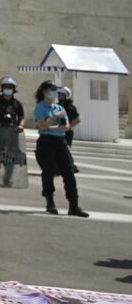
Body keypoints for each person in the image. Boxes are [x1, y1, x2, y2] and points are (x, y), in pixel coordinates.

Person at [33, 80, 87, 217]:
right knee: (48, 172)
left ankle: (73, 206)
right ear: (45, 92)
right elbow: (42, 125)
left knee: (69, 172)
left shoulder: (60, 108)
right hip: (46, 142)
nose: (54, 93)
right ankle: (50, 202)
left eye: (55, 90)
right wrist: (53, 120)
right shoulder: (40, 107)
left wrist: (49, 125)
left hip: (61, 141)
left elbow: (66, 127)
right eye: (52, 90)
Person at [0, 76, 25, 186]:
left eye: (10, 87)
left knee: (12, 156)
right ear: (2, 88)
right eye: (6, 86)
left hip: (12, 131)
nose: (8, 88)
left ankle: (7, 179)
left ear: (14, 89)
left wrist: (21, 125)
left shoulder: (17, 104)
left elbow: (22, 117)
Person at [59, 86, 80, 173]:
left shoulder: (70, 107)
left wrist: (68, 128)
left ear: (66, 95)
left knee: (65, 151)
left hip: (66, 133)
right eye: (58, 94)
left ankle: (72, 166)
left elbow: (77, 120)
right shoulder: (58, 105)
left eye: (61, 94)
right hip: (58, 132)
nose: (59, 96)